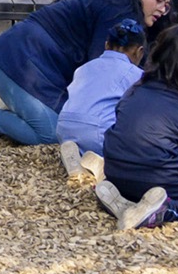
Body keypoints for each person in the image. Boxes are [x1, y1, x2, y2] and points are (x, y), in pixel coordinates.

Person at [0, 0, 175, 146]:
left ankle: (16, 104)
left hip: (28, 66)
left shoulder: (115, 4)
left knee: (69, 125)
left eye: (166, 5)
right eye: (159, 0)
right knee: (52, 133)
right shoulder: (119, 10)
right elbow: (105, 72)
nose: (162, 9)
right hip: (15, 61)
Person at [97, 24, 178, 230]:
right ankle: (162, 211)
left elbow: (122, 125)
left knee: (138, 185)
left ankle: (125, 202)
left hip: (115, 171)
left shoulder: (135, 89)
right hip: (157, 175)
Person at [56, 18, 147, 177]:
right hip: (98, 133)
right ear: (140, 51)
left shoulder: (84, 68)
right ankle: (102, 165)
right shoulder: (136, 74)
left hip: (64, 128)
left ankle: (79, 158)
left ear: (106, 45)